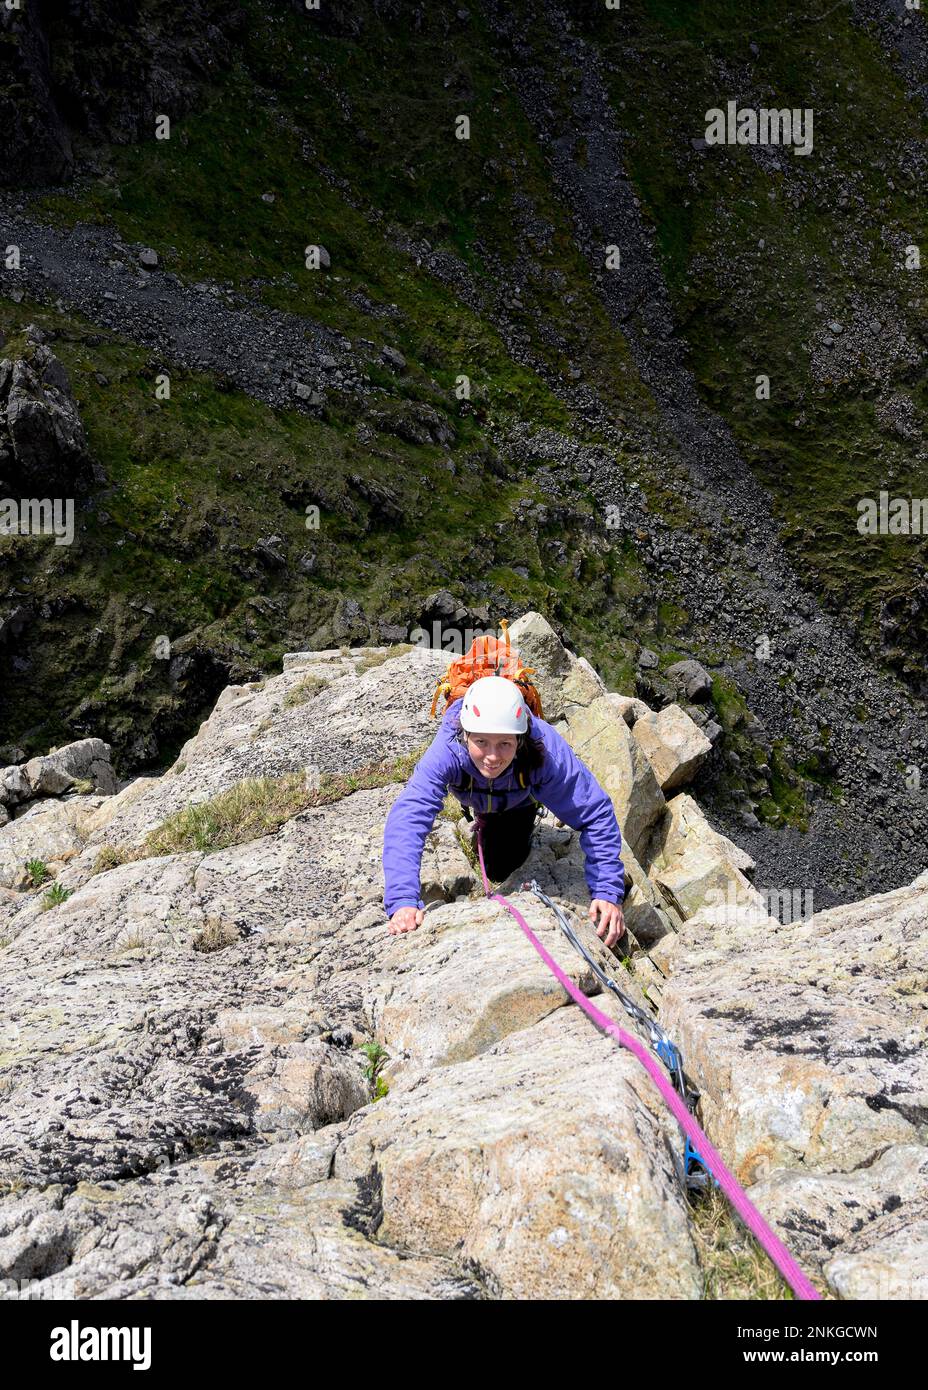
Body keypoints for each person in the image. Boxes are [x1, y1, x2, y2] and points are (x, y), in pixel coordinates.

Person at [383, 674, 626, 947]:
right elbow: (409, 816)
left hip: (517, 800)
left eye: (504, 744)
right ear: (465, 735)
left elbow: (594, 813)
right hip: (478, 794)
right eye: (481, 742)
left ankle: (521, 812)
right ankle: (485, 816)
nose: (492, 756)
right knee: (497, 867)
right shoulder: (448, 749)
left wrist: (607, 891)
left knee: (503, 865)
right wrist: (402, 899)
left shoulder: (544, 751)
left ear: (520, 740)